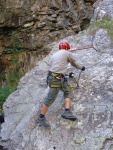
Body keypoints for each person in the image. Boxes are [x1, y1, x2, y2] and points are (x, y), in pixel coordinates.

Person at [36, 42, 86, 128]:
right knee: (50, 98)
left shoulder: (54, 55)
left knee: (68, 90)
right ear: (67, 48)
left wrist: (66, 74)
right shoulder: (67, 53)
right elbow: (74, 63)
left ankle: (67, 111)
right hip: (56, 79)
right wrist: (81, 67)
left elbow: (56, 68)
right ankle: (41, 118)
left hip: (56, 77)